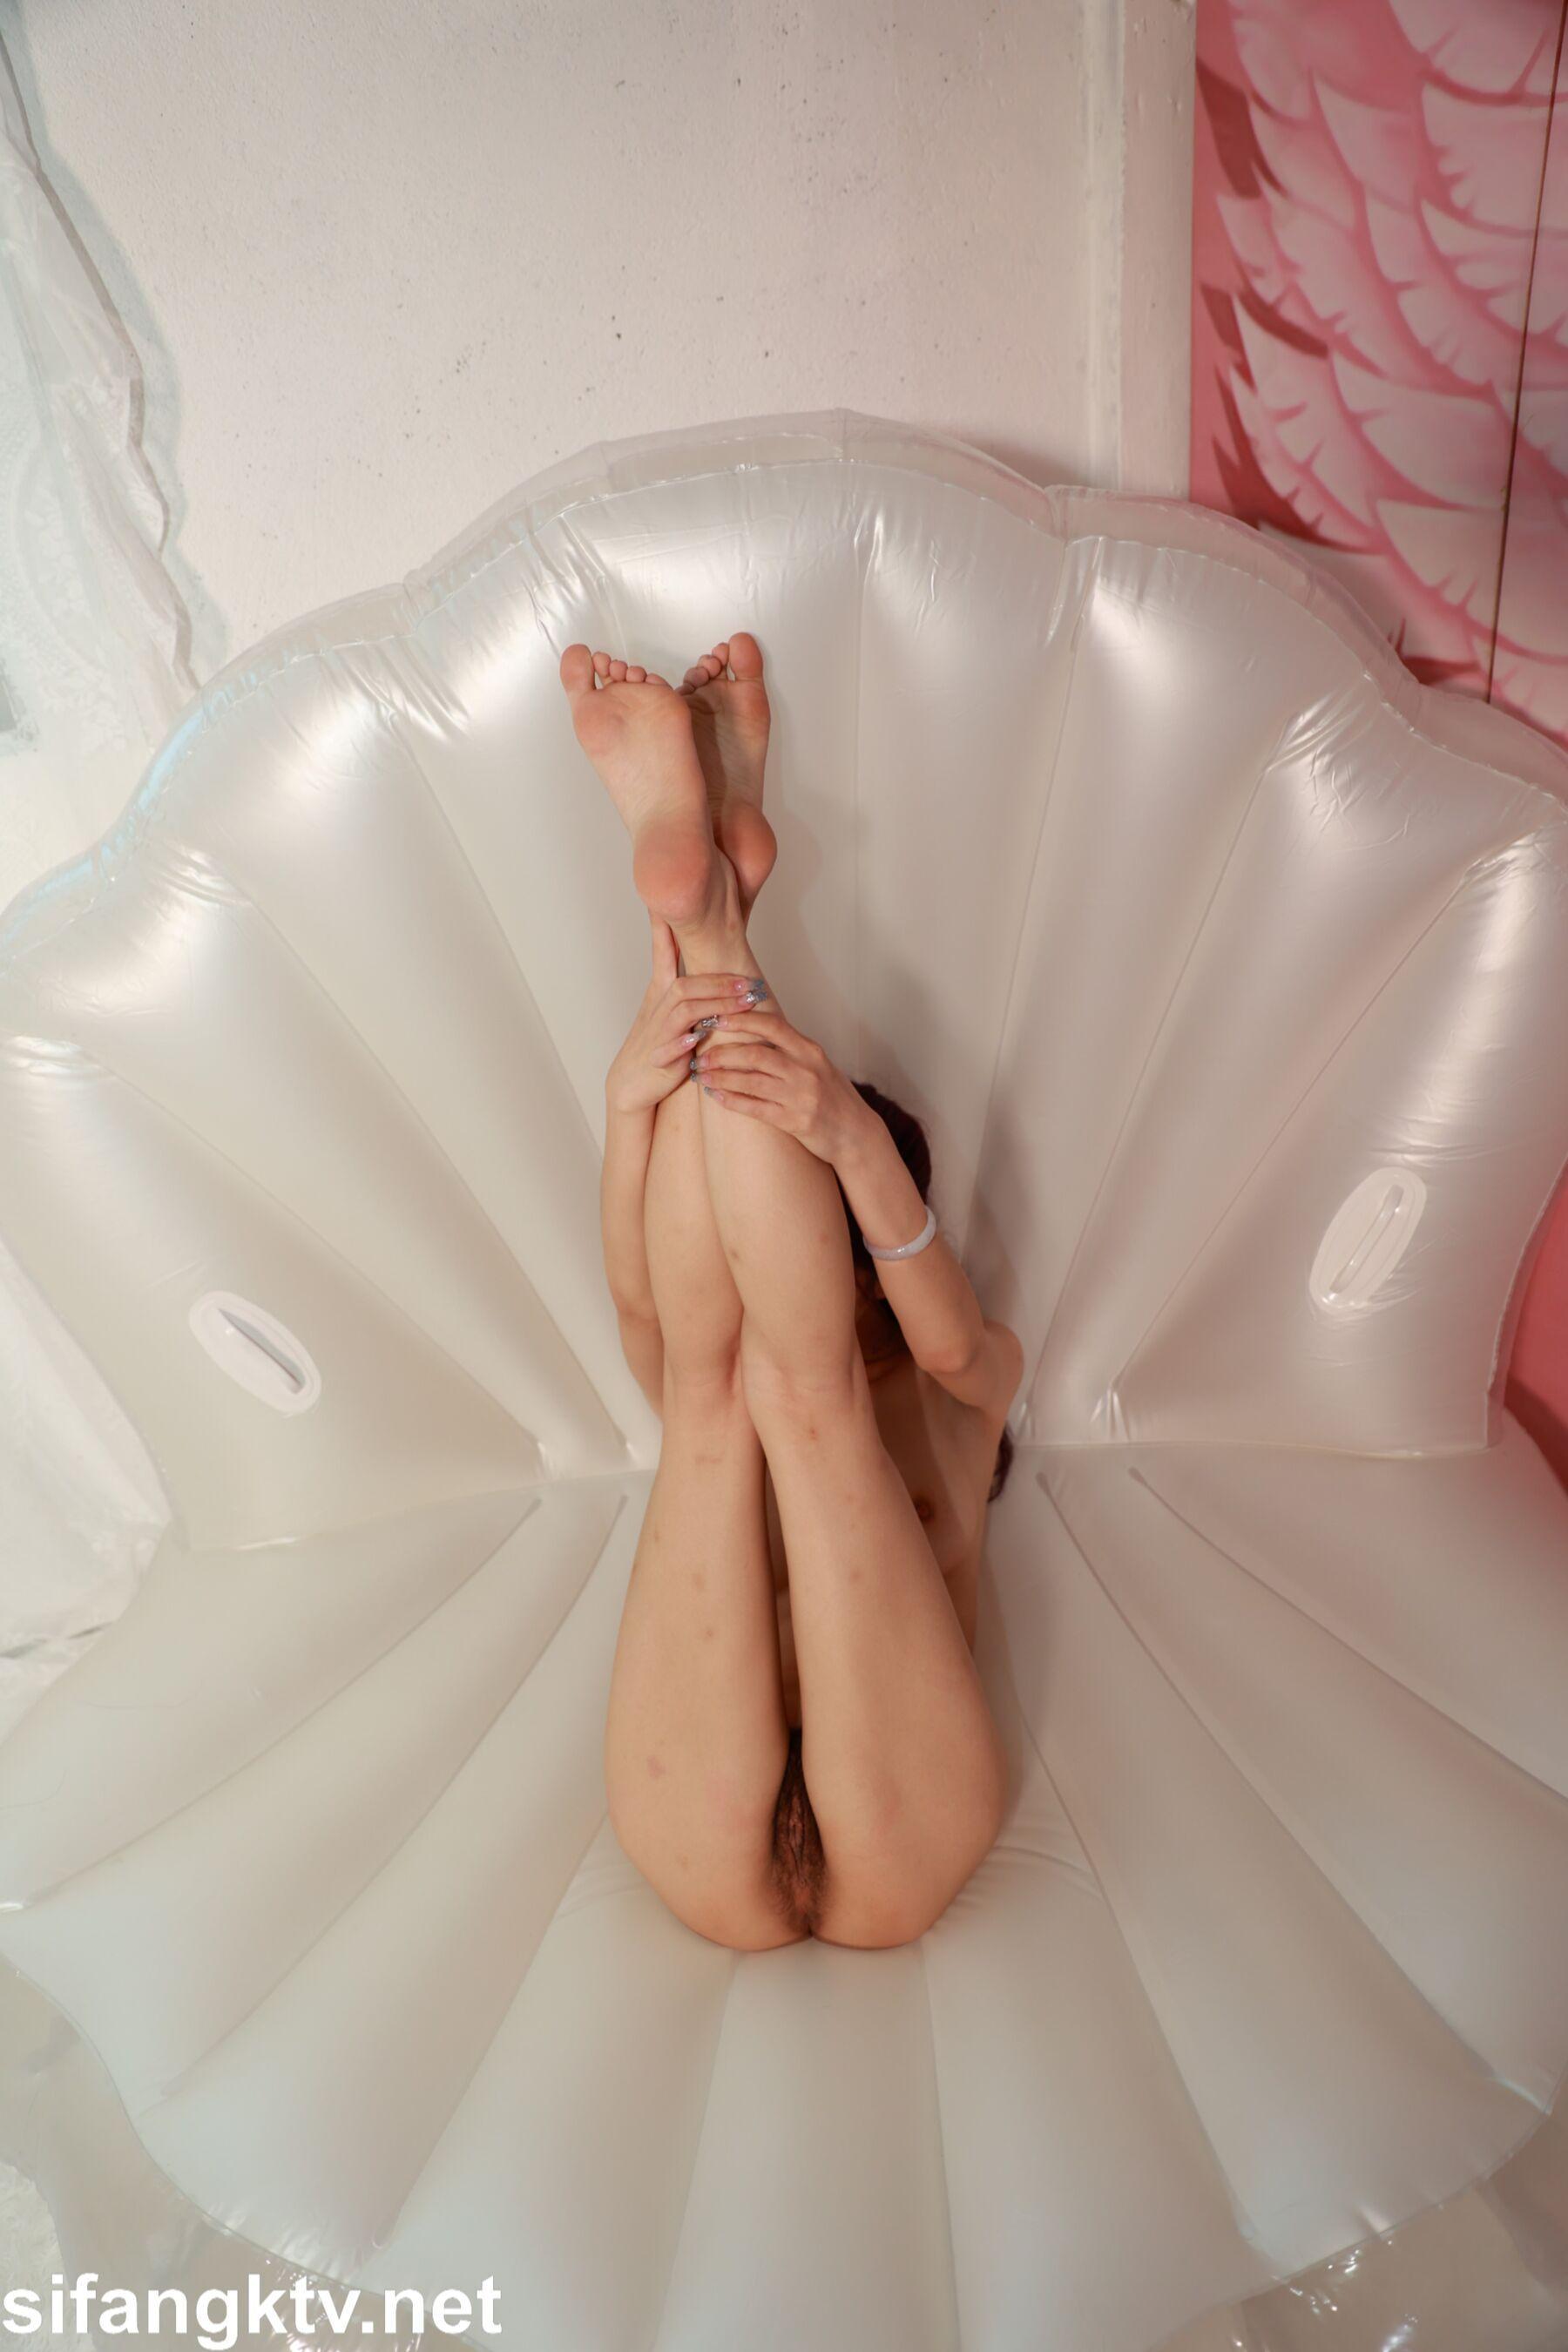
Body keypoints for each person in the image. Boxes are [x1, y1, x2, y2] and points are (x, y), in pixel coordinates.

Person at [560, 631, 1022, 1952]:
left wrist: (848, 1139)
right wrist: (628, 1109)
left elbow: (952, 1345)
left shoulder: (958, 1404)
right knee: (733, 1389)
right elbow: (644, 1304)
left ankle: (707, 919)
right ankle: (705, 924)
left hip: (899, 1834)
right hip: (716, 1821)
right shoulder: (729, 1358)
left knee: (782, 1391)